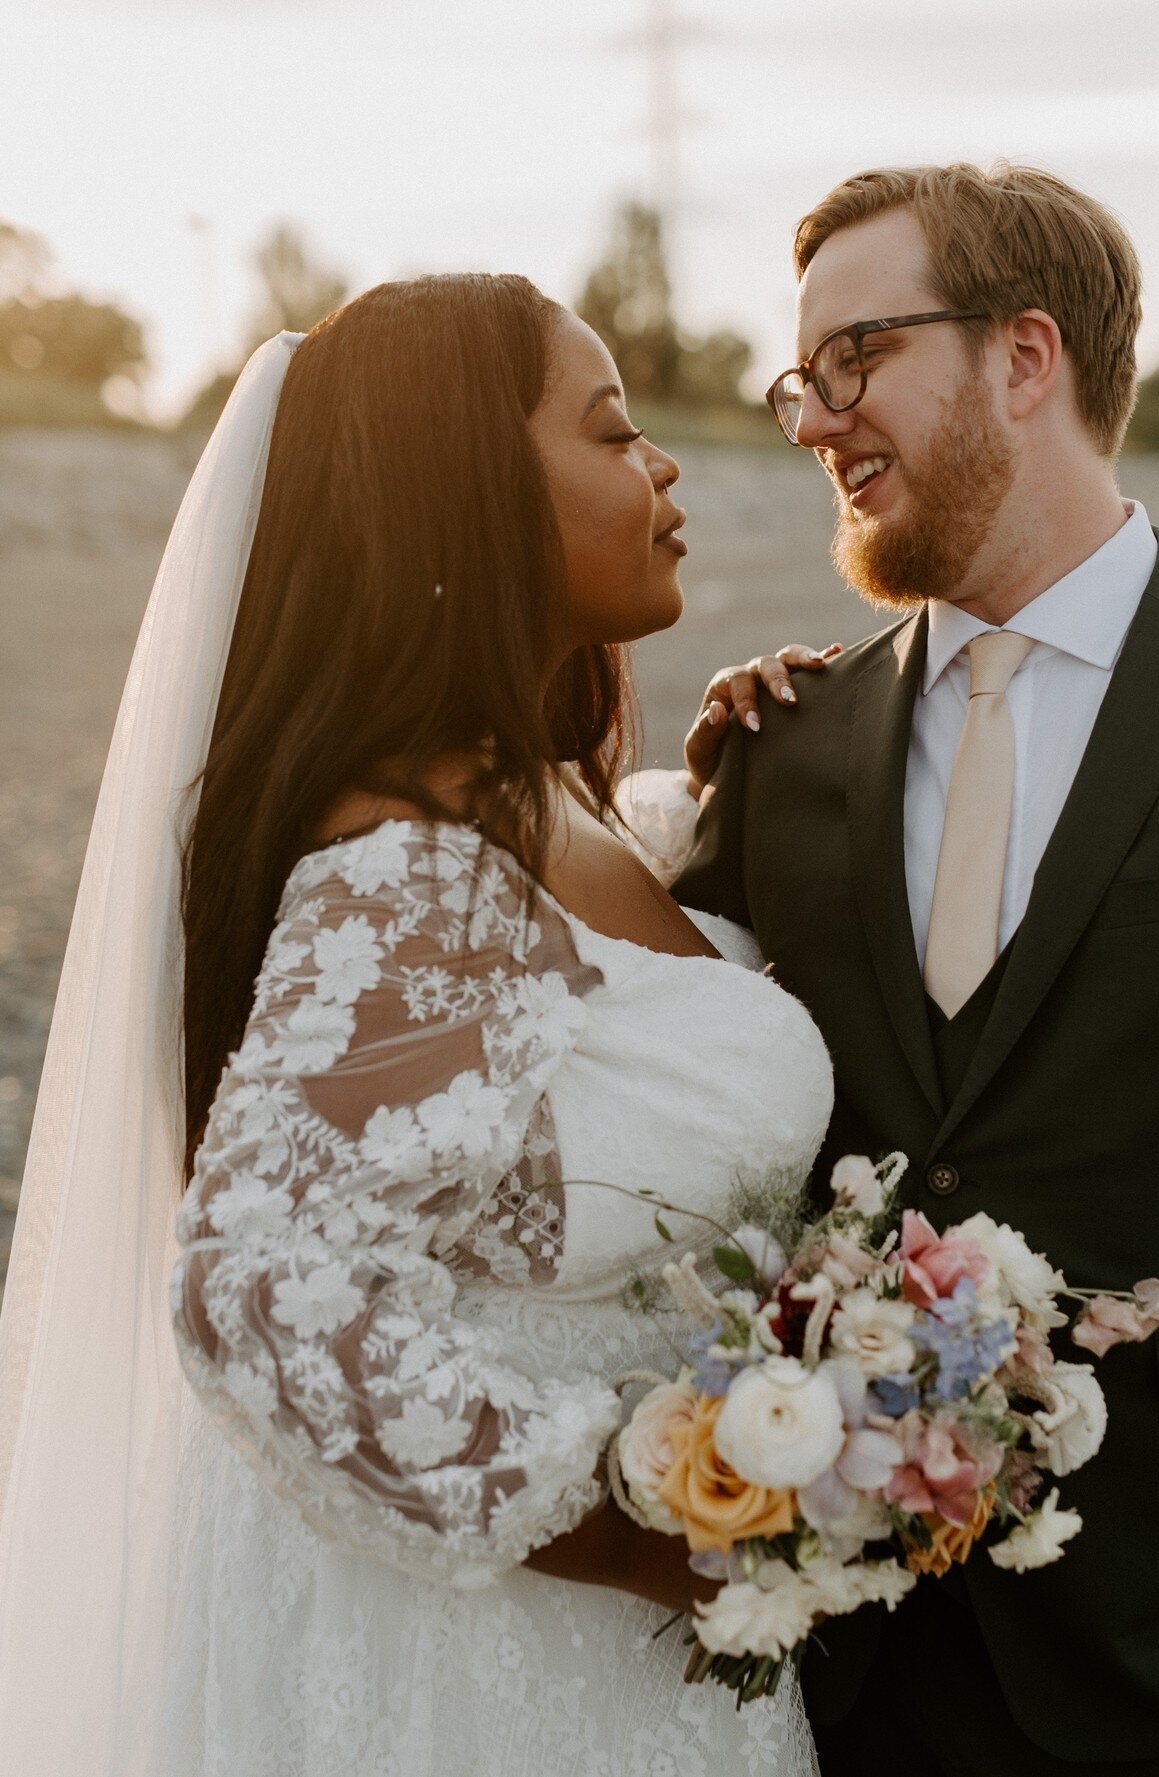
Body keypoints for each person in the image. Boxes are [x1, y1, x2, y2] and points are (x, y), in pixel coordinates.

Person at [665, 163, 1159, 1776]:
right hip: (843, 1660)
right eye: (798, 376)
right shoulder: (783, 746)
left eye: (855, 355)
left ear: (1028, 360)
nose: (812, 417)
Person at [0, 274, 831, 1775]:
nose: (667, 466)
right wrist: (637, 1515)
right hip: (480, 1664)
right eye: (612, 431)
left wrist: (722, 803)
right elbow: (256, 1287)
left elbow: (566, 1028)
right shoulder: (423, 875)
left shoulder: (542, 795)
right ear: (466, 498)